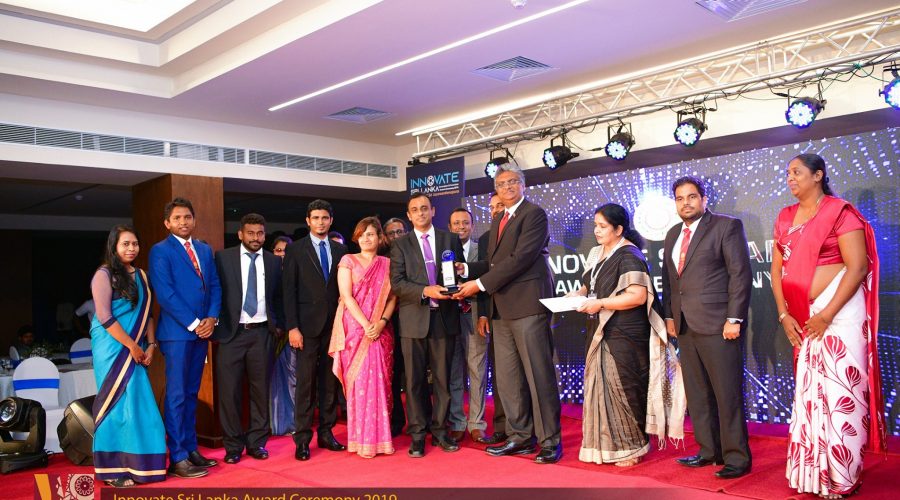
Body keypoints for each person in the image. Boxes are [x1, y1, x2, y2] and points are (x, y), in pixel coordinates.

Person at [772, 154, 885, 498]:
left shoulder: (841, 212)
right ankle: (812, 475)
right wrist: (784, 314)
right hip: (803, 315)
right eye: (788, 173)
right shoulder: (785, 216)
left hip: (840, 314)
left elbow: (857, 266)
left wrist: (827, 314)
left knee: (840, 393)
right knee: (810, 394)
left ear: (818, 175)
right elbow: (777, 270)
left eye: (797, 172)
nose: (790, 178)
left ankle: (842, 476)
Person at [455, 164, 563, 464]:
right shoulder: (499, 218)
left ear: (523, 185)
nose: (507, 187)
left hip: (528, 307)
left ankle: (550, 441)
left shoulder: (534, 214)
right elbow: (494, 263)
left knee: (539, 377)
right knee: (508, 380)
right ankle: (520, 437)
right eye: (501, 184)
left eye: (513, 182)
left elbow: (521, 258)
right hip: (501, 310)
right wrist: (468, 269)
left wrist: (478, 284)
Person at [570, 204, 684, 467]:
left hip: (624, 332)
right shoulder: (597, 252)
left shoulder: (629, 254)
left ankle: (632, 448)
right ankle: (605, 448)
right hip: (600, 328)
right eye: (595, 225)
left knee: (624, 387)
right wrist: (575, 296)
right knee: (601, 388)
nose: (596, 231)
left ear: (619, 229)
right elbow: (589, 285)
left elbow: (637, 296)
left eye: (603, 226)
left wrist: (600, 303)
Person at [661, 176, 752, 479]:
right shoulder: (673, 234)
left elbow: (740, 275)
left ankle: (737, 457)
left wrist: (734, 318)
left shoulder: (726, 226)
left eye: (691, 197)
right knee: (698, 394)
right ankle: (709, 451)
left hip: (718, 324)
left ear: (703, 199)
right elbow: (670, 281)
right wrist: (670, 317)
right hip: (685, 325)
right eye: (679, 198)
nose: (685, 203)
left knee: (727, 394)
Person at [149, 197, 221, 479]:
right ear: (167, 223)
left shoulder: (203, 249)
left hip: (202, 332)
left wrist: (211, 319)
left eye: (187, 217)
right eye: (177, 218)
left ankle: (191, 450)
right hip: (177, 334)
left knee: (191, 394)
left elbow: (214, 285)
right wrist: (194, 324)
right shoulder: (160, 251)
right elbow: (165, 294)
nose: (183, 222)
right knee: (177, 396)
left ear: (194, 220)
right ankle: (177, 457)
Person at [90, 224, 166, 487]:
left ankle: (142, 466)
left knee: (139, 403)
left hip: (138, 347)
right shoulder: (103, 275)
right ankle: (112, 470)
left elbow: (149, 315)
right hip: (111, 347)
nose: (131, 248)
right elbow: (104, 317)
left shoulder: (143, 276)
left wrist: (151, 345)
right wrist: (132, 346)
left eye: (135, 244)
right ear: (114, 247)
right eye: (125, 244)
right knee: (116, 404)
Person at [390, 193, 464, 458]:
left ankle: (441, 431)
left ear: (433, 211)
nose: (420, 213)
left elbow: (459, 272)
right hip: (413, 321)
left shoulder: (450, 239)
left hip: (445, 318)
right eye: (415, 209)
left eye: (424, 208)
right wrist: (426, 291)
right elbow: (397, 283)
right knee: (414, 382)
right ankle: (418, 435)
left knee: (443, 380)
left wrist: (459, 280)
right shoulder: (400, 245)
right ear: (409, 216)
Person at [213, 213, 283, 464]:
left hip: (262, 333)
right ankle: (233, 446)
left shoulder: (273, 261)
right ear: (240, 234)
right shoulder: (223, 258)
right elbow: (214, 292)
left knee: (260, 391)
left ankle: (257, 443)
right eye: (251, 233)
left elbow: (278, 296)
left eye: (260, 233)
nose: (256, 238)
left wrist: (278, 326)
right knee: (229, 393)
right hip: (232, 334)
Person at [283, 199, 348, 461]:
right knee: (305, 385)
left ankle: (326, 433)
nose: (320, 222)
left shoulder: (341, 250)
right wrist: (292, 327)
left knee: (329, 383)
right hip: (305, 328)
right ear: (308, 221)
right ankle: (302, 440)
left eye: (325, 218)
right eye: (316, 218)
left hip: (334, 326)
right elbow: (288, 291)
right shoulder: (295, 249)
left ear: (331, 221)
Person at [330, 217, 398, 458]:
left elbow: (393, 297)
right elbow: (346, 296)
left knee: (380, 382)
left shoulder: (388, 264)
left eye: (371, 234)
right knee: (359, 384)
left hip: (380, 330)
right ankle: (361, 440)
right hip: (355, 329)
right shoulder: (348, 261)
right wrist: (367, 325)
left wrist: (381, 323)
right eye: (362, 234)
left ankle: (380, 440)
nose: (366, 238)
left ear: (380, 238)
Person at [446, 207, 489, 443]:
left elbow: (488, 284)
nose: (461, 227)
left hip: (474, 314)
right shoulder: (443, 250)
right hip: (450, 317)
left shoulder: (482, 249)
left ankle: (476, 423)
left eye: (465, 223)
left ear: (472, 226)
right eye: (456, 223)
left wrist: (484, 314)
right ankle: (457, 422)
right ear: (450, 227)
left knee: (477, 370)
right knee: (454, 372)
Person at [474, 194, 509, 445]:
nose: (495, 211)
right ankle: (501, 426)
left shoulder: (523, 230)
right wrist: (484, 313)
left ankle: (524, 429)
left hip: (519, 310)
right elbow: (485, 278)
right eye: (492, 207)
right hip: (495, 313)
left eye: (500, 206)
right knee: (500, 374)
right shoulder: (486, 238)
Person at [383, 217, 409, 436]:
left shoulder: (414, 254)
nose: (396, 236)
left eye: (399, 232)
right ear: (385, 237)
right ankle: (396, 420)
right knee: (392, 375)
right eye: (391, 233)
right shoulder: (381, 260)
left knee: (415, 374)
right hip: (388, 324)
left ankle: (422, 420)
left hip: (413, 320)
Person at [269, 234, 296, 436]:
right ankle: (278, 424)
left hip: (294, 332)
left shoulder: (297, 272)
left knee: (293, 379)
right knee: (275, 380)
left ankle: (294, 423)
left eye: (286, 250)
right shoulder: (267, 273)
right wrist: (276, 326)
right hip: (273, 332)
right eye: (278, 250)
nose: (282, 254)